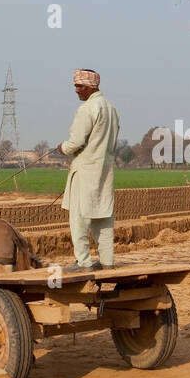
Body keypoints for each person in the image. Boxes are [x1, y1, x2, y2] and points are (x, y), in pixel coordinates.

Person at [58, 68, 119, 271]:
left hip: (85, 170)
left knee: (79, 218)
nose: (76, 90)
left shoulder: (87, 109)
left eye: (78, 86)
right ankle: (107, 262)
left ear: (89, 87)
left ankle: (83, 262)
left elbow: (75, 142)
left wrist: (62, 148)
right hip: (104, 170)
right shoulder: (110, 108)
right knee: (103, 216)